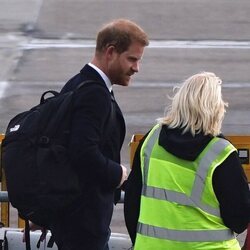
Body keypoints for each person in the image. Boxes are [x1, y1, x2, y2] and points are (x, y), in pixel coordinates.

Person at [28, 19, 149, 250]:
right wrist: (120, 174)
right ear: (111, 52)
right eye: (132, 59)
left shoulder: (77, 84)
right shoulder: (94, 94)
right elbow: (82, 153)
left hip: (71, 219)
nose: (136, 68)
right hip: (84, 223)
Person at [124, 72, 250, 250]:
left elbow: (132, 203)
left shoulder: (151, 140)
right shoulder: (220, 153)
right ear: (216, 109)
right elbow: (239, 220)